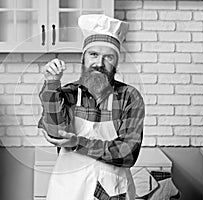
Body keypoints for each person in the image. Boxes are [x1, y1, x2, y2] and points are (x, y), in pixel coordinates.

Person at [38, 14, 145, 200]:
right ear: (84, 58)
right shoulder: (68, 94)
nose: (99, 64)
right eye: (93, 54)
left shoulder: (129, 97)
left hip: (112, 192)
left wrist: (77, 143)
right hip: (69, 191)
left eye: (109, 57)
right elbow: (56, 133)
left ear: (116, 63)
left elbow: (127, 153)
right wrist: (51, 84)